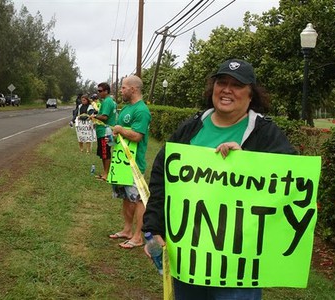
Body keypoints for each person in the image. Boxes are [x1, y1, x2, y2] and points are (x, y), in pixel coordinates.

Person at [142, 59, 297, 299]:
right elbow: (161, 177)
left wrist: (248, 163)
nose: (226, 89)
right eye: (221, 82)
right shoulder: (191, 127)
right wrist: (153, 227)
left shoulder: (264, 132)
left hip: (238, 263)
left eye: (237, 85)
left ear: (251, 94)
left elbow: (292, 181)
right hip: (189, 255)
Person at [108, 75, 152, 249]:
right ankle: (127, 230)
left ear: (133, 89)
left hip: (134, 165)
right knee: (126, 198)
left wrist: (120, 129)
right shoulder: (126, 108)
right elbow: (122, 131)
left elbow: (137, 136)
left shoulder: (141, 111)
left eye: (124, 87)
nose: (121, 90)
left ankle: (137, 237)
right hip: (121, 163)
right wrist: (116, 132)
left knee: (138, 199)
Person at [90, 82, 117, 181]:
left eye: (100, 91)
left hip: (105, 132)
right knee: (103, 153)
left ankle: (106, 174)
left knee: (106, 153)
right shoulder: (109, 101)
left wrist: (94, 116)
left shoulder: (107, 101)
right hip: (104, 131)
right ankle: (105, 172)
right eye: (98, 91)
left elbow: (105, 117)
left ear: (106, 91)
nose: (99, 93)